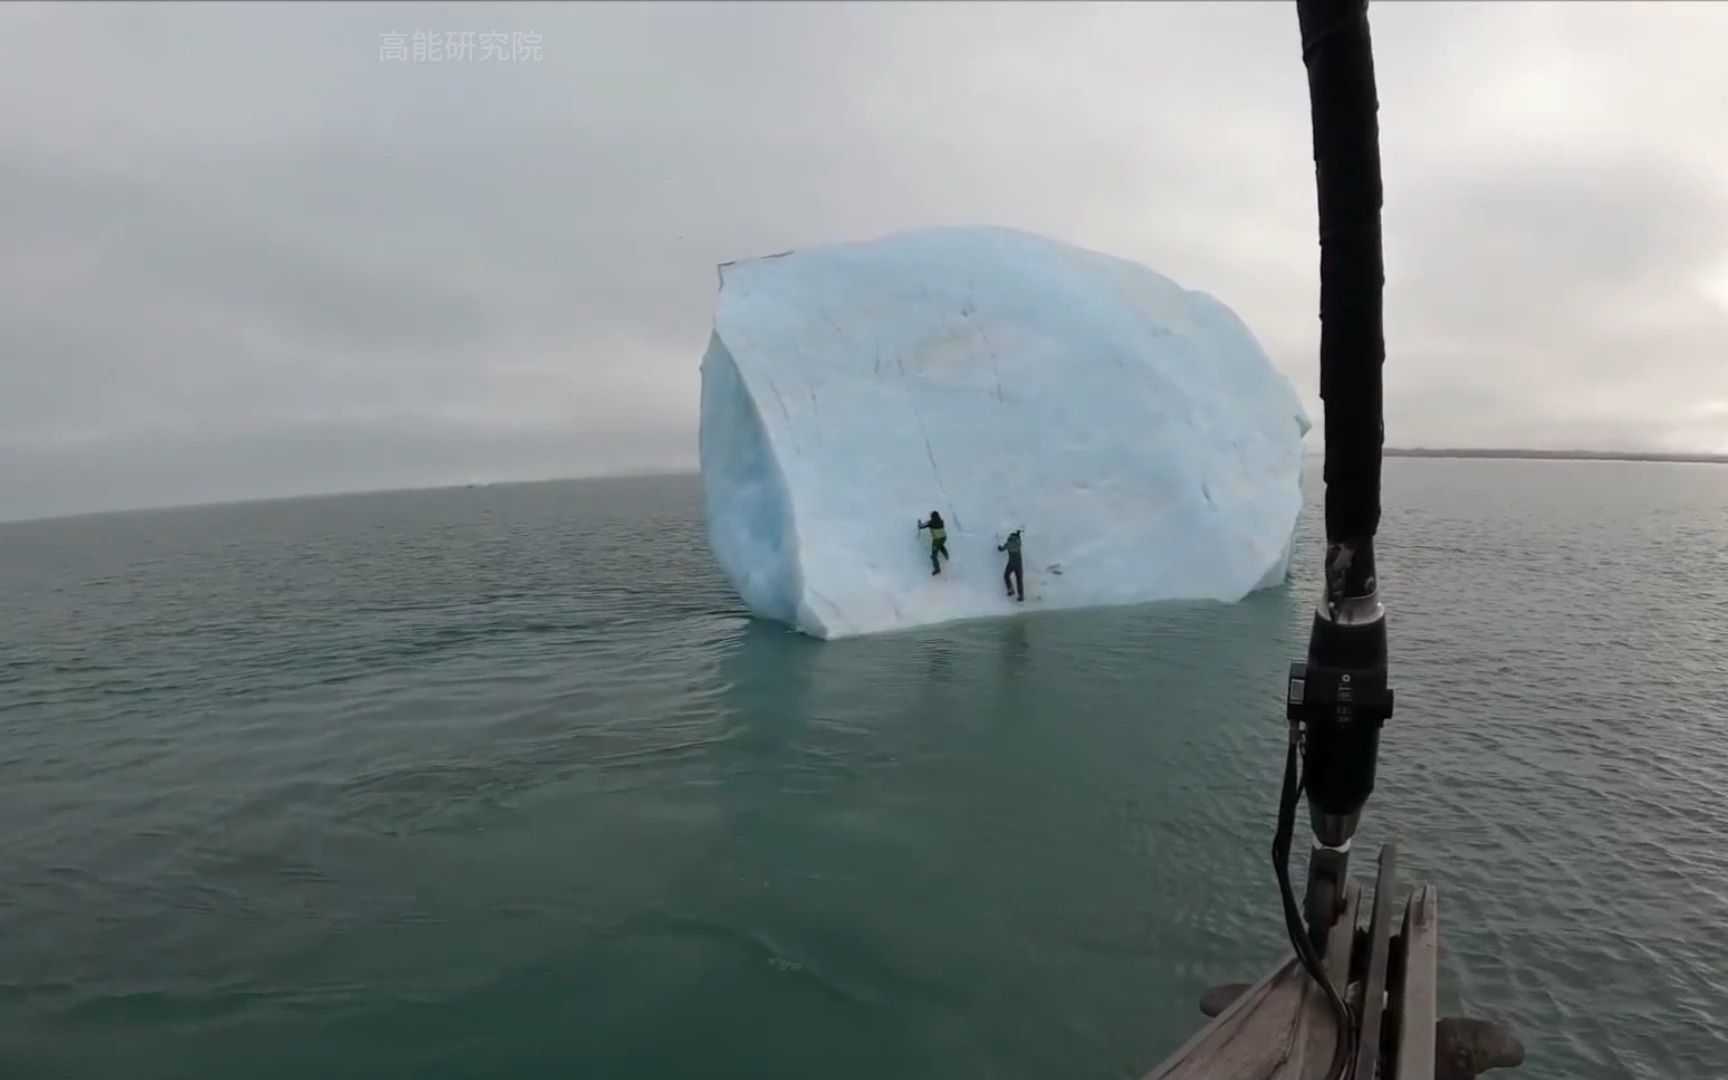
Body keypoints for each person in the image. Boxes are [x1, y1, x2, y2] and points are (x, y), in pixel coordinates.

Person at [998, 529, 1025, 601]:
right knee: (1019, 580)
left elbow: (1001, 549)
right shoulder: (1018, 543)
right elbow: (1019, 539)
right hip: (1019, 564)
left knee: (1006, 576)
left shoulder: (1008, 543)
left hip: (1011, 564)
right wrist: (1018, 533)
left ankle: (1010, 589)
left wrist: (999, 547)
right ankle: (1021, 595)